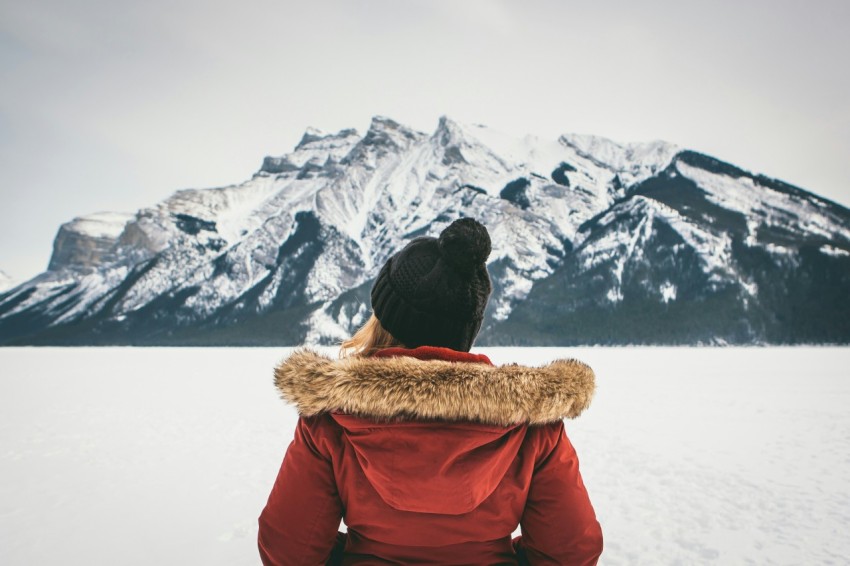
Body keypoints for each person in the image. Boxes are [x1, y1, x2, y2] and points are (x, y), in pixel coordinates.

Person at [258, 217, 603, 565]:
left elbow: (289, 552)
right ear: (468, 329)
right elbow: (571, 554)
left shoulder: (330, 420)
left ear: (382, 322)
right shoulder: (533, 427)